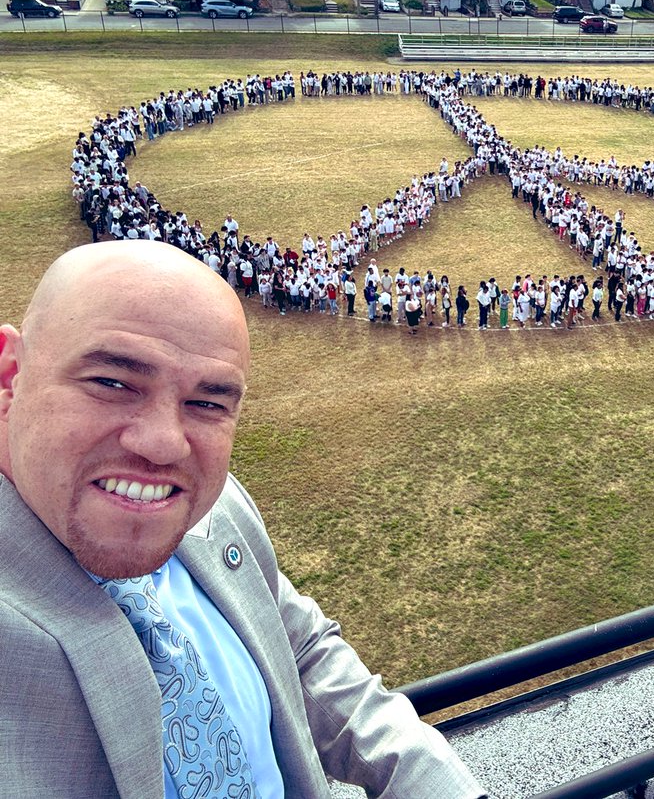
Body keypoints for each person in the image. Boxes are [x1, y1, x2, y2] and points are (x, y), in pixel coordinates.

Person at [0, 241, 484, 799]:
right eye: (113, 382)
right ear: (10, 377)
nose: (163, 444)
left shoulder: (216, 504)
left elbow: (298, 651)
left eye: (207, 403)